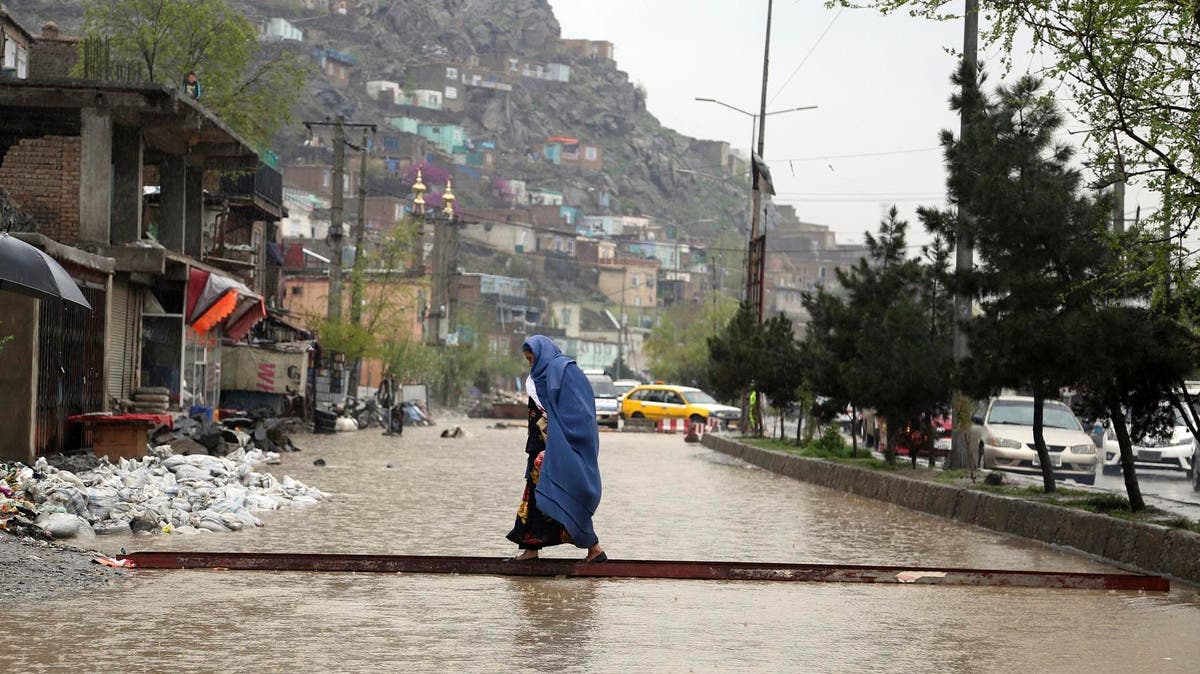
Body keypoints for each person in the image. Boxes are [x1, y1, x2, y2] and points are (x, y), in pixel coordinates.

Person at [506, 335, 605, 563]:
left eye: (532, 359)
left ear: (542, 354)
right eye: (528, 360)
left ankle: (594, 548)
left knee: (563, 493)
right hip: (537, 449)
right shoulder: (537, 378)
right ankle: (531, 549)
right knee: (536, 496)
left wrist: (555, 444)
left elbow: (580, 412)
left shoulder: (563, 372)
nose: (530, 364)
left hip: (556, 449)